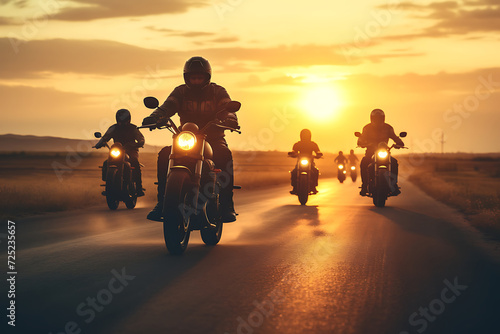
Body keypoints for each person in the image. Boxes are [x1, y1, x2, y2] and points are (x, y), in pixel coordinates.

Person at [142, 56, 239, 222]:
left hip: (213, 137)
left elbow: (227, 107)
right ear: (186, 77)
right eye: (193, 77)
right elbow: (167, 107)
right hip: (186, 137)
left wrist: (231, 119)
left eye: (199, 77)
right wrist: (155, 117)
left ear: (207, 77)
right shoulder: (180, 92)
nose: (196, 81)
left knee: (224, 155)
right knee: (165, 154)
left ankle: (226, 205)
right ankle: (162, 203)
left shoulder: (218, 91)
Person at [95, 109, 145, 196]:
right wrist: (99, 144)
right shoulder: (113, 128)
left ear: (128, 119)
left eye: (124, 119)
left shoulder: (133, 128)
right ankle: (108, 184)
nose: (122, 122)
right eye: (120, 119)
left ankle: (138, 188)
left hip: (131, 150)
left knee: (134, 161)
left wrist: (139, 143)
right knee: (106, 162)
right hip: (117, 150)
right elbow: (105, 137)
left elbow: (141, 138)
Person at [357, 108, 405, 196]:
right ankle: (364, 185)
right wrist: (361, 143)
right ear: (372, 118)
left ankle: (394, 185)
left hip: (384, 151)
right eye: (376, 118)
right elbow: (361, 138)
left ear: (383, 118)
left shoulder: (388, 128)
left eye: (379, 118)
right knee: (364, 162)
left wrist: (399, 143)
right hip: (370, 152)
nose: (377, 120)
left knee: (394, 162)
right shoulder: (367, 128)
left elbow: (395, 137)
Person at [289, 129, 322, 194]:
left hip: (310, 162)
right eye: (304, 135)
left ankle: (314, 187)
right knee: (294, 172)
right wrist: (292, 153)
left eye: (306, 135)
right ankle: (294, 187)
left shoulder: (313, 144)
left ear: (309, 136)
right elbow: (294, 151)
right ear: (301, 135)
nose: (305, 136)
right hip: (299, 162)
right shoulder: (297, 144)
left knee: (315, 171)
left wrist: (319, 154)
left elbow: (317, 151)